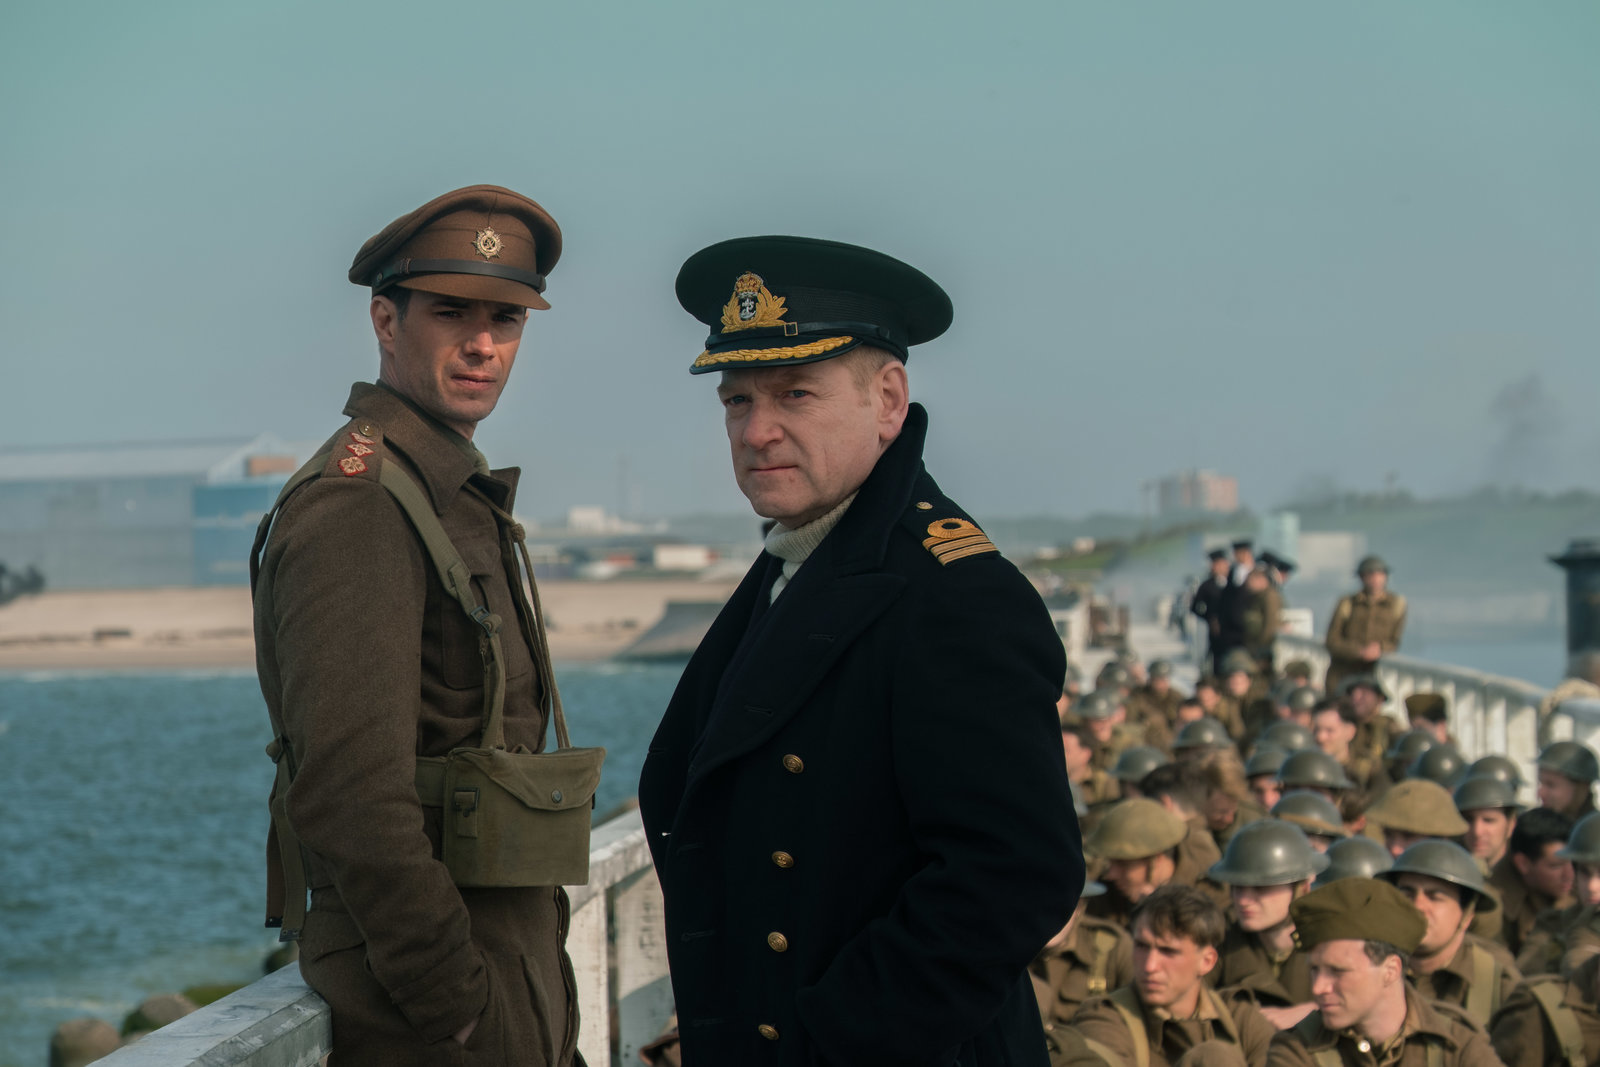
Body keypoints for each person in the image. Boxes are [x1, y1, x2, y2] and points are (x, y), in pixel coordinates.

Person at [637, 236, 1081, 1064]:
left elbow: (1016, 875)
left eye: (795, 394)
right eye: (737, 400)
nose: (756, 430)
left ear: (888, 401)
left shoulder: (951, 593)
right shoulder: (801, 563)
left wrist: (829, 1038)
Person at [251, 186, 583, 1064]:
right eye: (450, 312)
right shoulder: (360, 505)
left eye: (506, 318)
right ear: (385, 322)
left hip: (505, 978)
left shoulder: (446, 490)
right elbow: (349, 792)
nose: (483, 344)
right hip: (431, 1019)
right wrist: (460, 1007)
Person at [1267, 879, 1502, 1066]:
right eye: (1314, 970)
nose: (1318, 987)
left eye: (1337, 971)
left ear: (1391, 970)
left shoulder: (1458, 1049)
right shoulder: (1296, 1049)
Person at [1071, 884, 1276, 1067]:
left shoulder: (1240, 1019)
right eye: (1141, 946)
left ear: (1207, 961)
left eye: (1168, 951)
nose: (1150, 966)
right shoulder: (1104, 1017)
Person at [1377, 841, 1522, 1028]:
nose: (1418, 906)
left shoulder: (1499, 985)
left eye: (1435, 897)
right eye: (1407, 894)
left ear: (1467, 915)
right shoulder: (1367, 967)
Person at [1207, 820, 1324, 1023]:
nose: (1243, 900)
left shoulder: (1330, 941)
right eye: (1237, 887)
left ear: (1302, 888)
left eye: (1261, 888)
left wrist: (1315, 1011)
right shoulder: (1220, 938)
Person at [1323, 556, 1407, 694]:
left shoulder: (1396, 605)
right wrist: (1359, 652)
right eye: (1370, 574)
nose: (1375, 579)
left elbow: (1394, 641)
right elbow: (1332, 641)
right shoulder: (1348, 603)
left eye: (1380, 574)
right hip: (1342, 674)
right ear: (1362, 577)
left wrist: (1380, 648)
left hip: (1371, 677)